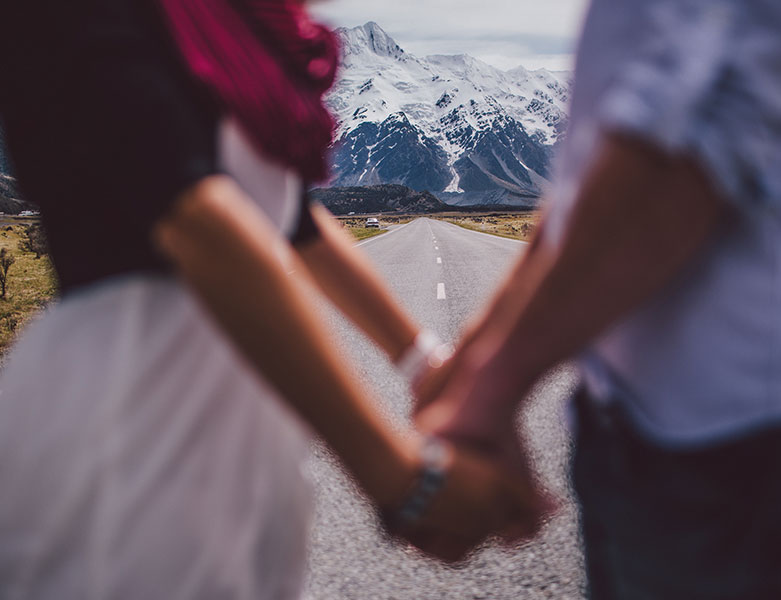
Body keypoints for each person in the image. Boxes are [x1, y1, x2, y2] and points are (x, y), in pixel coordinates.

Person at [0, 1, 551, 597]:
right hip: (124, 420)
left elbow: (293, 223)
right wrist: (397, 475)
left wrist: (428, 367)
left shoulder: (227, 25)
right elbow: (199, 221)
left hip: (238, 429)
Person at [416, 0, 781, 598]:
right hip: (651, 424)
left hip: (734, 443)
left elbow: (686, 142)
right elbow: (591, 181)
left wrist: (490, 390)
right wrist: (474, 363)